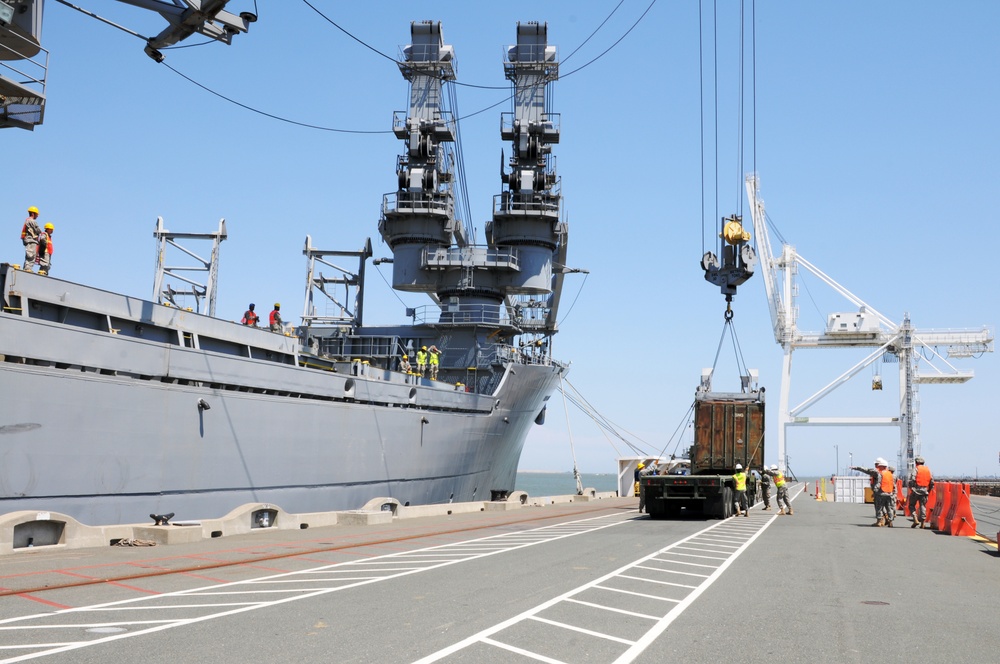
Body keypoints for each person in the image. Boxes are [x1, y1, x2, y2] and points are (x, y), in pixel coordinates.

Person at [852, 458, 893, 527]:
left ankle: (879, 521)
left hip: (880, 492)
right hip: (889, 493)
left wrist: (857, 468)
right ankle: (890, 520)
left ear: (881, 466)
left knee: (879, 507)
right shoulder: (889, 473)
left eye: (878, 465)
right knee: (888, 507)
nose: (877, 466)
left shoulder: (878, 472)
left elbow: (867, 470)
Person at [907, 456, 934, 529]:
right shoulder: (928, 470)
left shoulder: (916, 469)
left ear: (916, 463)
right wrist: (929, 490)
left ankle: (915, 518)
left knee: (911, 505)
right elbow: (932, 482)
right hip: (924, 490)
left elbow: (912, 479)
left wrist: (911, 488)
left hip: (916, 490)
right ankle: (922, 523)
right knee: (923, 506)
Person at [20, 206, 41, 272]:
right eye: (37, 214)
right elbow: (38, 230)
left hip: (29, 239)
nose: (37, 216)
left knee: (30, 255)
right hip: (31, 240)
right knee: (31, 255)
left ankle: (26, 268)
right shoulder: (31, 221)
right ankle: (27, 269)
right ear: (33, 214)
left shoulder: (27, 220)